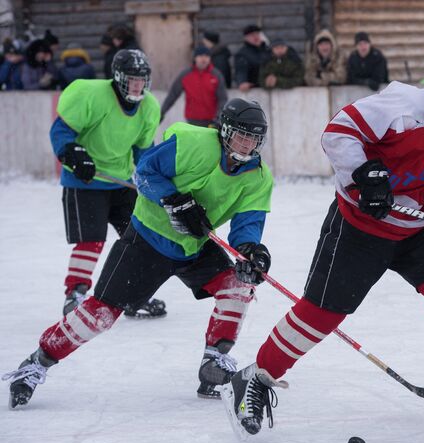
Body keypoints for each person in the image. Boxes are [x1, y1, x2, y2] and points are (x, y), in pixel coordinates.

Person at [223, 65, 424, 437]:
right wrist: (365, 174)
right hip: (360, 227)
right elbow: (336, 132)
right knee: (321, 314)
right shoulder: (400, 108)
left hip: (412, 225)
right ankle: (254, 377)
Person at [4, 98, 274, 409]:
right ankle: (38, 361)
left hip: (194, 247)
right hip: (147, 241)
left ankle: (214, 363)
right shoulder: (193, 143)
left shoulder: (259, 177)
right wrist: (174, 200)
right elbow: (144, 172)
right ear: (224, 131)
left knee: (238, 286)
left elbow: (248, 224)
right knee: (99, 315)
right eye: (242, 135)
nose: (248, 144)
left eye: (255, 138)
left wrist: (251, 252)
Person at [48, 49, 165, 318]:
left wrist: (156, 179)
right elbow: (61, 131)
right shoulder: (91, 96)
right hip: (85, 181)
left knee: (138, 240)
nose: (137, 86)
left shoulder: (149, 107)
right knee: (91, 240)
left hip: (121, 182)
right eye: (132, 80)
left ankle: (132, 294)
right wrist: (73, 153)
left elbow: (144, 151)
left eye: (142, 80)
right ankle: (75, 293)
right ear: (118, 77)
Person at [161, 46, 228, 127]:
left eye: (206, 56)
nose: (204, 59)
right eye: (200, 56)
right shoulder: (185, 75)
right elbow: (173, 95)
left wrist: (218, 117)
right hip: (192, 122)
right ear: (195, 58)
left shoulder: (216, 75)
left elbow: (223, 99)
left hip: (212, 122)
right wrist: (161, 112)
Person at [234, 24, 270, 92]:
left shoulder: (268, 50)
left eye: (257, 34)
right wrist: (242, 82)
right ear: (246, 38)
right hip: (254, 90)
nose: (255, 37)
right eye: (252, 35)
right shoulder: (242, 54)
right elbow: (241, 71)